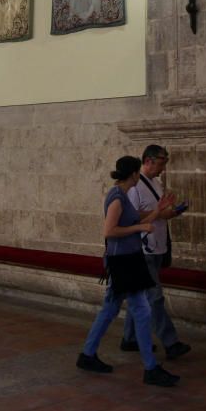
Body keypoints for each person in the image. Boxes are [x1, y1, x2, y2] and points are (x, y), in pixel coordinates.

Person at [77, 155, 180, 387]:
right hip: (122, 262)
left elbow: (137, 219)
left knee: (112, 310)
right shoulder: (116, 198)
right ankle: (150, 368)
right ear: (133, 174)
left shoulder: (123, 196)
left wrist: (157, 211)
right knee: (141, 311)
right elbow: (109, 231)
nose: (139, 177)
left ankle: (88, 354)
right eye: (137, 174)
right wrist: (140, 227)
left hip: (128, 260)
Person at [120, 145, 191, 359]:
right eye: (160, 164)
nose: (163, 169)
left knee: (141, 295)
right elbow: (131, 216)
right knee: (155, 297)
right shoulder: (134, 186)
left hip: (158, 246)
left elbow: (159, 214)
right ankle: (171, 343)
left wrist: (174, 211)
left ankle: (130, 339)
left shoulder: (156, 183)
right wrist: (158, 212)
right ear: (148, 161)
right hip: (143, 248)